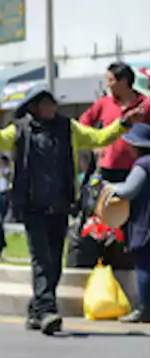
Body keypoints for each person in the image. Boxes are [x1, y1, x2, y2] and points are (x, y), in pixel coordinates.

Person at [0, 82, 146, 335]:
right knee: (41, 260)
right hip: (32, 207)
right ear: (34, 108)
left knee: (55, 263)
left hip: (60, 205)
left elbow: (99, 137)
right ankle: (47, 311)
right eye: (46, 103)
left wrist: (124, 123)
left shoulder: (68, 128)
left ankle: (36, 310)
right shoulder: (20, 130)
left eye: (53, 103)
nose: (52, 107)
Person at [74, 62, 151, 269]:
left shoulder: (145, 104)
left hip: (136, 171)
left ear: (123, 81)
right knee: (104, 217)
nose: (107, 85)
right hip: (107, 170)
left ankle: (130, 260)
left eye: (110, 80)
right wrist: (94, 145)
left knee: (134, 219)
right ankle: (103, 259)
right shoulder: (104, 104)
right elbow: (83, 124)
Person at [105, 123, 151, 323]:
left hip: (145, 223)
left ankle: (145, 310)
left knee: (144, 267)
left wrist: (110, 187)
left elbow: (128, 191)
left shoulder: (143, 164)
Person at [0, 156, 13, 221]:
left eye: (2, 162)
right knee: (1, 206)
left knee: (5, 205)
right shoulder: (0, 170)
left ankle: (3, 218)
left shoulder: (7, 170)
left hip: (6, 190)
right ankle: (1, 218)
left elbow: (5, 175)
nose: (1, 163)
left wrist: (2, 169)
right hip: (1, 190)